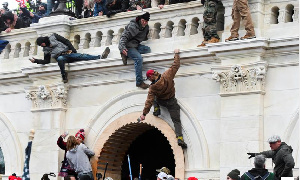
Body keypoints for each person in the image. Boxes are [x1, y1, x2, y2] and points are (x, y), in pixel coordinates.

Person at [138, 49, 187, 148]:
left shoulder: (152, 88)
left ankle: (156, 109)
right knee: (176, 121)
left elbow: (148, 102)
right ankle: (180, 138)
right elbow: (176, 65)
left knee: (153, 98)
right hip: (172, 102)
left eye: (148, 78)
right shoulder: (167, 75)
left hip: (161, 101)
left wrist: (144, 114)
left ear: (151, 77)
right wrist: (176, 54)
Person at [30, 33, 110, 83]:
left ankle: (99, 57)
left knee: (81, 56)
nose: (43, 45)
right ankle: (63, 75)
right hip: (61, 57)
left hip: (68, 53)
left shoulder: (54, 37)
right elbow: (46, 61)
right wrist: (36, 61)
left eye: (42, 44)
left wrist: (73, 50)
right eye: (41, 45)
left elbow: (66, 41)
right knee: (60, 59)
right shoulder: (46, 49)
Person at [118, 12, 151, 89]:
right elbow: (123, 37)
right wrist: (122, 48)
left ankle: (127, 55)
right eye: (143, 21)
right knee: (139, 59)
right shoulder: (132, 26)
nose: (144, 23)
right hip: (128, 46)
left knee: (147, 49)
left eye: (146, 22)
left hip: (135, 45)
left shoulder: (146, 27)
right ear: (140, 19)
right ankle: (139, 82)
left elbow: (144, 37)